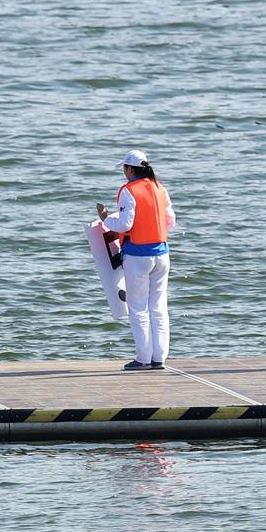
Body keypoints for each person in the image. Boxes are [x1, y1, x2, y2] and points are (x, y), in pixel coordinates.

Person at [97, 150, 176, 371]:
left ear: (130, 169)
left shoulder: (128, 191)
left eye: (124, 168)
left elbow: (125, 225)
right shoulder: (160, 188)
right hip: (162, 254)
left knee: (138, 307)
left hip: (137, 256)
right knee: (159, 307)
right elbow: (170, 220)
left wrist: (106, 218)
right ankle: (159, 358)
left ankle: (143, 358)